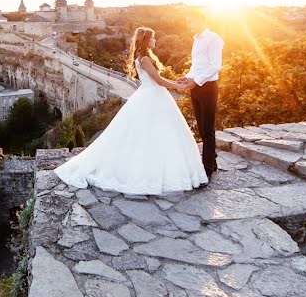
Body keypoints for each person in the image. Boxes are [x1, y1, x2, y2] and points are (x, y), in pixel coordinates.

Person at [54, 27, 208, 194]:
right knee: (155, 132)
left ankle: (154, 167)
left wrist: (176, 83)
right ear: (146, 40)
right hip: (153, 96)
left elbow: (157, 79)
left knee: (151, 133)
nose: (155, 41)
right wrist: (178, 86)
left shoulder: (141, 57)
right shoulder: (145, 59)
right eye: (153, 38)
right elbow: (158, 80)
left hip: (151, 96)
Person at [176, 10, 224, 179]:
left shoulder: (214, 39)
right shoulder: (195, 40)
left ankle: (207, 170)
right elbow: (196, 66)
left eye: (192, 21)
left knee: (207, 129)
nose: (189, 25)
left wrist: (196, 80)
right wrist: (187, 77)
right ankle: (213, 160)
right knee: (202, 128)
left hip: (208, 87)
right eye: (188, 21)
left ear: (201, 21)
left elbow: (215, 65)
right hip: (195, 86)